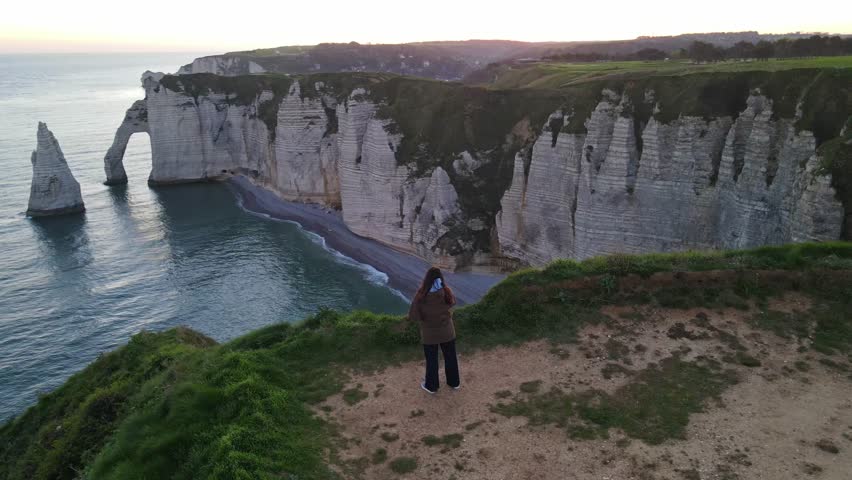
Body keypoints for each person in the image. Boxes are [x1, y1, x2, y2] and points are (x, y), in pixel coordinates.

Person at [408, 267, 461, 394]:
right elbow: (452, 303)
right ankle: (454, 383)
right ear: (440, 278)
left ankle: (431, 386)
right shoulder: (446, 290)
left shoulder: (421, 295)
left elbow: (414, 316)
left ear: (426, 279)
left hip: (429, 334)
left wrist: (425, 317)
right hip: (447, 331)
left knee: (432, 360)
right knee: (451, 357)